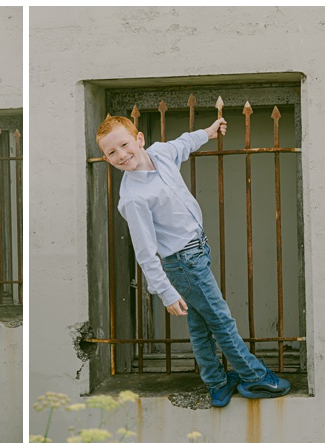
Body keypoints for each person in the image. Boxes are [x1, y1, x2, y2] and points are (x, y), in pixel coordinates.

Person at [97, 115, 290, 407]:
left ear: (139, 139)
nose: (121, 155)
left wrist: (208, 132)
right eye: (112, 152)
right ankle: (254, 377)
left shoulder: (161, 153)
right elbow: (145, 252)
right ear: (106, 158)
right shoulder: (133, 198)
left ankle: (217, 384)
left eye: (124, 145)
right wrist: (165, 292)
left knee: (200, 323)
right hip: (184, 263)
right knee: (221, 320)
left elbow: (183, 143)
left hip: (198, 251)